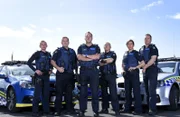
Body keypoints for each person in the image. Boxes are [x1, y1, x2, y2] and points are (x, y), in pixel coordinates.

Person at [51, 37, 77, 116]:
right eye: (64, 41)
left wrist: (76, 73)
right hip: (61, 75)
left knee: (69, 93)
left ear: (68, 42)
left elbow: (76, 62)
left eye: (66, 41)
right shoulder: (58, 51)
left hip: (70, 75)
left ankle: (69, 109)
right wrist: (58, 68)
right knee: (59, 93)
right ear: (61, 42)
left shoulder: (72, 51)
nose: (65, 42)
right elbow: (52, 61)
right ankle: (57, 110)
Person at [77, 32, 101, 117]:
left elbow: (97, 57)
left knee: (95, 92)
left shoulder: (96, 47)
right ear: (84, 37)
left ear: (92, 37)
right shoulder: (81, 47)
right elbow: (79, 57)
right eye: (87, 36)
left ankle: (96, 111)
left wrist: (86, 56)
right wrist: (91, 57)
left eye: (89, 36)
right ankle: (82, 110)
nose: (88, 37)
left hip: (94, 71)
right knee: (83, 92)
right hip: (83, 71)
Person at [27, 40, 52, 117]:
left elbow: (50, 63)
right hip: (39, 77)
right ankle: (35, 112)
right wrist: (36, 70)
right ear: (40, 46)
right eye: (42, 44)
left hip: (46, 76)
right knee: (37, 95)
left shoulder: (49, 54)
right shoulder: (37, 53)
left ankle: (46, 112)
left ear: (47, 45)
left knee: (46, 95)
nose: (44, 46)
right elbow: (29, 62)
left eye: (45, 44)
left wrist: (51, 70)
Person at [122, 40, 145, 115]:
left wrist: (136, 67)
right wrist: (123, 70)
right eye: (128, 44)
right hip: (127, 74)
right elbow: (123, 63)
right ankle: (127, 109)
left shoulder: (136, 53)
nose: (129, 45)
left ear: (133, 45)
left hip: (134, 74)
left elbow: (143, 63)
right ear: (126, 45)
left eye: (131, 44)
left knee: (136, 92)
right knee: (127, 92)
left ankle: (138, 110)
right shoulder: (125, 53)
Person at [139, 34, 159, 116]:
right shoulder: (141, 49)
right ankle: (148, 108)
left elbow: (153, 59)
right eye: (145, 38)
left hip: (152, 70)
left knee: (151, 91)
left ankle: (153, 109)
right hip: (145, 71)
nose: (146, 40)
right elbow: (140, 59)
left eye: (148, 38)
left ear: (150, 39)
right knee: (146, 91)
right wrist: (141, 65)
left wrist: (145, 67)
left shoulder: (153, 48)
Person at [99, 42, 120, 116]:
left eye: (108, 45)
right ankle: (105, 109)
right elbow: (99, 63)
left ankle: (116, 109)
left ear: (110, 47)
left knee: (113, 93)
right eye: (105, 45)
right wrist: (105, 61)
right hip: (103, 76)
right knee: (104, 94)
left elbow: (111, 60)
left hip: (111, 75)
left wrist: (103, 61)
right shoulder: (101, 54)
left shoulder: (113, 53)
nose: (106, 46)